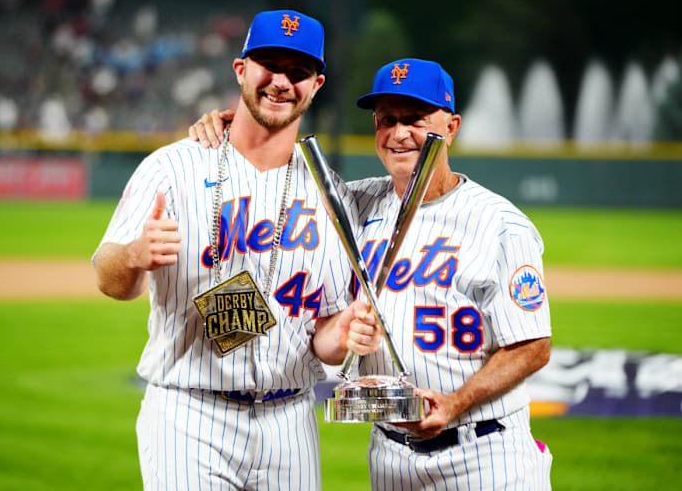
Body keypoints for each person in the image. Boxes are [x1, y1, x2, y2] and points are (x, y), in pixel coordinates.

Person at [190, 57, 553, 490]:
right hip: (389, 454)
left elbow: (533, 346)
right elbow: (276, 178)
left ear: (451, 127)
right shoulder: (355, 205)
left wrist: (455, 404)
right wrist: (239, 125)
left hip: (484, 453)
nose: (399, 134)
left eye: (416, 119)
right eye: (387, 120)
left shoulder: (500, 225)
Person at [92, 9, 378, 490]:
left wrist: (343, 335)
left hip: (290, 421)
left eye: (298, 71)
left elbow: (323, 333)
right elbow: (107, 276)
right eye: (269, 63)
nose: (281, 81)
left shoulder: (331, 193)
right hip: (189, 413)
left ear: (316, 84)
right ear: (241, 69)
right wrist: (136, 256)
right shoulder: (172, 167)